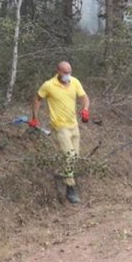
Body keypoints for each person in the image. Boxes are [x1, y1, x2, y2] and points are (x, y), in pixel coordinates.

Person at [31, 61, 90, 205]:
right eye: (65, 72)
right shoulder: (48, 85)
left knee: (74, 157)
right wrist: (34, 117)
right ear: (58, 71)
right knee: (69, 156)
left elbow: (84, 98)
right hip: (59, 126)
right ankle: (70, 188)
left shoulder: (75, 82)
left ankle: (62, 175)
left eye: (69, 72)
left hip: (73, 125)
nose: (67, 75)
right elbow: (37, 99)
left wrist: (85, 109)